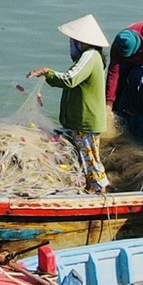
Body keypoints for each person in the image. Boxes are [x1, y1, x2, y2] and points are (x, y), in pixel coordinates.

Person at [28, 15, 109, 192]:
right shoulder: (90, 57)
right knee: (84, 158)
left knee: (91, 160)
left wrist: (46, 72)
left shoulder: (89, 56)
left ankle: (101, 195)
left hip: (86, 121)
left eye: (73, 40)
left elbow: (69, 79)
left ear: (82, 41)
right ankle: (90, 189)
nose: (71, 44)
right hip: (80, 121)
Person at [105, 22, 143, 119]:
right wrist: (108, 102)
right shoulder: (118, 45)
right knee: (120, 81)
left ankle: (135, 108)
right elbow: (113, 72)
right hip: (126, 61)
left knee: (135, 77)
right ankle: (115, 111)